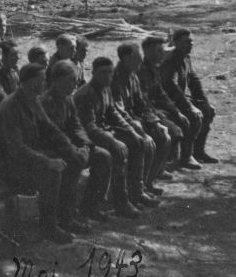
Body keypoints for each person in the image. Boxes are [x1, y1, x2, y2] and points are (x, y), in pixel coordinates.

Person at [0, 63, 82, 244]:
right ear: (28, 82)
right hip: (10, 164)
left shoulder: (32, 100)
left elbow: (50, 128)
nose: (44, 84)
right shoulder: (11, 106)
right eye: (41, 81)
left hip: (28, 158)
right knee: (51, 171)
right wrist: (47, 161)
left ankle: (66, 218)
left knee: (71, 159)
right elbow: (16, 149)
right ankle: (49, 227)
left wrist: (70, 148)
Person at [74, 57, 153, 216]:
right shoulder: (86, 94)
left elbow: (113, 113)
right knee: (117, 151)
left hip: (103, 132)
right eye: (103, 72)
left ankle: (136, 192)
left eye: (110, 73)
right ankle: (120, 203)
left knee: (136, 142)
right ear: (93, 73)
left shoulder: (106, 89)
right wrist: (113, 140)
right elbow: (89, 127)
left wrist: (131, 130)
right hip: (87, 137)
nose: (107, 76)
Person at [41, 60, 113, 224]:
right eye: (70, 80)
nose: (74, 84)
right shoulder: (47, 102)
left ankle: (90, 206)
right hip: (54, 149)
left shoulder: (68, 98)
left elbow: (77, 126)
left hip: (72, 147)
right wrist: (75, 149)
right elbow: (53, 134)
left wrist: (86, 145)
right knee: (74, 162)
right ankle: (67, 216)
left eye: (75, 79)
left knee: (103, 157)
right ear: (57, 80)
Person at [112, 43, 171, 196]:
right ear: (127, 58)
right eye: (137, 58)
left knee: (164, 136)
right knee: (146, 143)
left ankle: (148, 182)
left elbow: (141, 102)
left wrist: (155, 122)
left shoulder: (133, 76)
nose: (140, 61)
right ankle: (136, 189)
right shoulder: (115, 78)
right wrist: (138, 128)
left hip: (134, 120)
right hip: (119, 124)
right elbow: (118, 111)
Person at [160, 28, 217, 169]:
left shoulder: (186, 58)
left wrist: (204, 102)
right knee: (194, 116)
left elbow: (194, 80)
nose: (190, 45)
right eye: (186, 42)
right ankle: (186, 156)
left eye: (191, 42)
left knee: (208, 111)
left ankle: (199, 151)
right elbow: (170, 86)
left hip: (180, 98)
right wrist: (189, 106)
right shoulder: (170, 60)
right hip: (167, 101)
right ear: (176, 42)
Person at [138, 36, 190, 175]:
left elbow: (161, 94)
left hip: (155, 110)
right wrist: (159, 116)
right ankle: (156, 170)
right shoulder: (141, 71)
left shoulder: (155, 68)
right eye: (159, 51)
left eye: (163, 51)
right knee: (173, 131)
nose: (163, 55)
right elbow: (143, 100)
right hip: (144, 113)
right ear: (148, 52)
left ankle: (168, 163)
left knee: (182, 120)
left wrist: (176, 111)